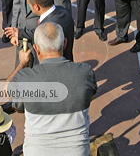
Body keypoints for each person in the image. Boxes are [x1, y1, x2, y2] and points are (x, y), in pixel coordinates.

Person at [5, 22, 97, 155]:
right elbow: (90, 97)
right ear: (64, 43)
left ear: (36, 49)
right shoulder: (85, 72)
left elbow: (7, 92)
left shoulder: (25, 78)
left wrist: (22, 63)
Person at [5, 0, 74, 61]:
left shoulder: (48, 26)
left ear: (37, 7)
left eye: (29, 5)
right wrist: (19, 32)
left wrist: (19, 33)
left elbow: (41, 33)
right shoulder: (62, 11)